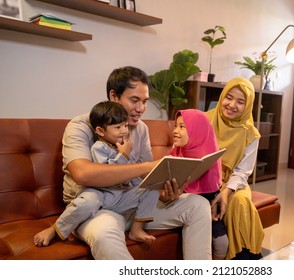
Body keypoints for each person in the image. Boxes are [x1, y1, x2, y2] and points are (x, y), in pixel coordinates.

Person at [35, 66, 212, 259]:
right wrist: (146, 167)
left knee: (197, 204)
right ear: (114, 96)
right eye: (134, 100)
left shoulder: (140, 128)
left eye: (144, 101)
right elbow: (83, 174)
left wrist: (165, 191)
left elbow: (146, 178)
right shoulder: (81, 126)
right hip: (95, 207)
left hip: (131, 202)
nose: (141, 108)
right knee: (105, 234)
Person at [33, 101, 160, 247]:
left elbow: (132, 174)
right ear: (100, 131)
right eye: (118, 127)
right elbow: (109, 174)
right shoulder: (99, 147)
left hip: (119, 195)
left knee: (151, 188)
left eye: (125, 125)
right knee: (86, 202)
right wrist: (124, 155)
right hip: (101, 194)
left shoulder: (124, 145)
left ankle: (137, 229)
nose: (124, 131)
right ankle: (55, 229)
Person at [206, 77, 264, 260]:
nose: (232, 105)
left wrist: (226, 191)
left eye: (240, 102)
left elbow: (242, 171)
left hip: (233, 182)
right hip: (205, 180)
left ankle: (244, 257)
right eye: (228, 97)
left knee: (240, 202)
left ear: (248, 106)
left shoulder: (251, 133)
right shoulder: (205, 120)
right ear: (222, 96)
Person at [170, 109, 228, 260]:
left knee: (222, 244)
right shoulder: (174, 155)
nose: (175, 131)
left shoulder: (210, 158)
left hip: (209, 213)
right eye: (175, 126)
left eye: (182, 127)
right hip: (184, 213)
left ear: (198, 131)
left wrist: (212, 209)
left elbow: (214, 192)